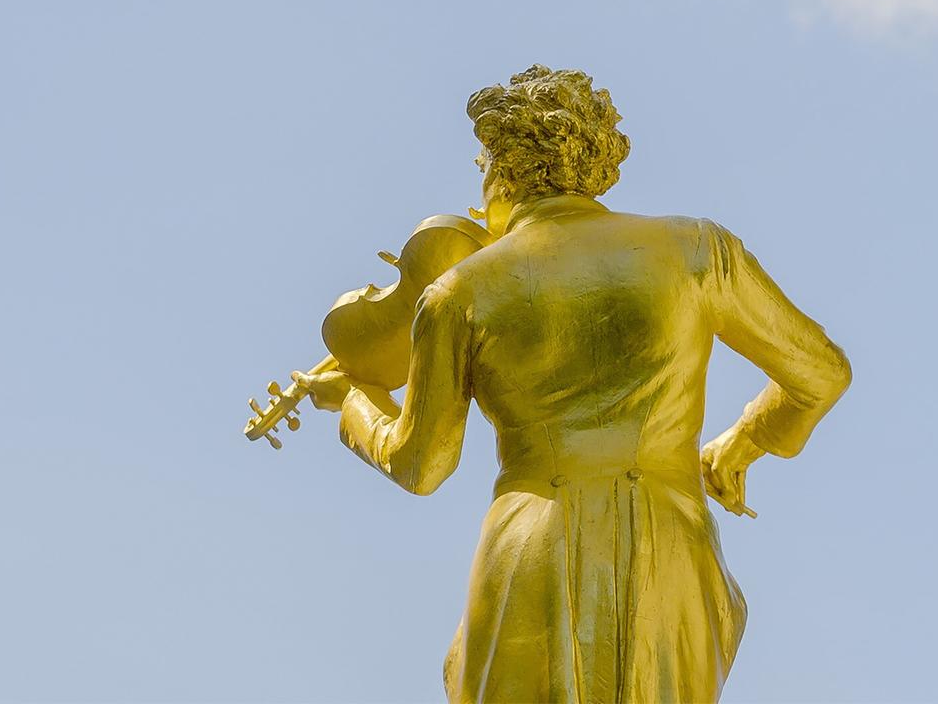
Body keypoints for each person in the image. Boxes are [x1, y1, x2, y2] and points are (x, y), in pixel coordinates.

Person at [295, 64, 851, 703]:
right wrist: (741, 443)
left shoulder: (459, 292)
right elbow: (821, 375)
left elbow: (420, 465)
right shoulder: (697, 249)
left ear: (502, 170)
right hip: (667, 542)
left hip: (533, 549)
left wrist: (354, 403)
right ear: (596, 159)